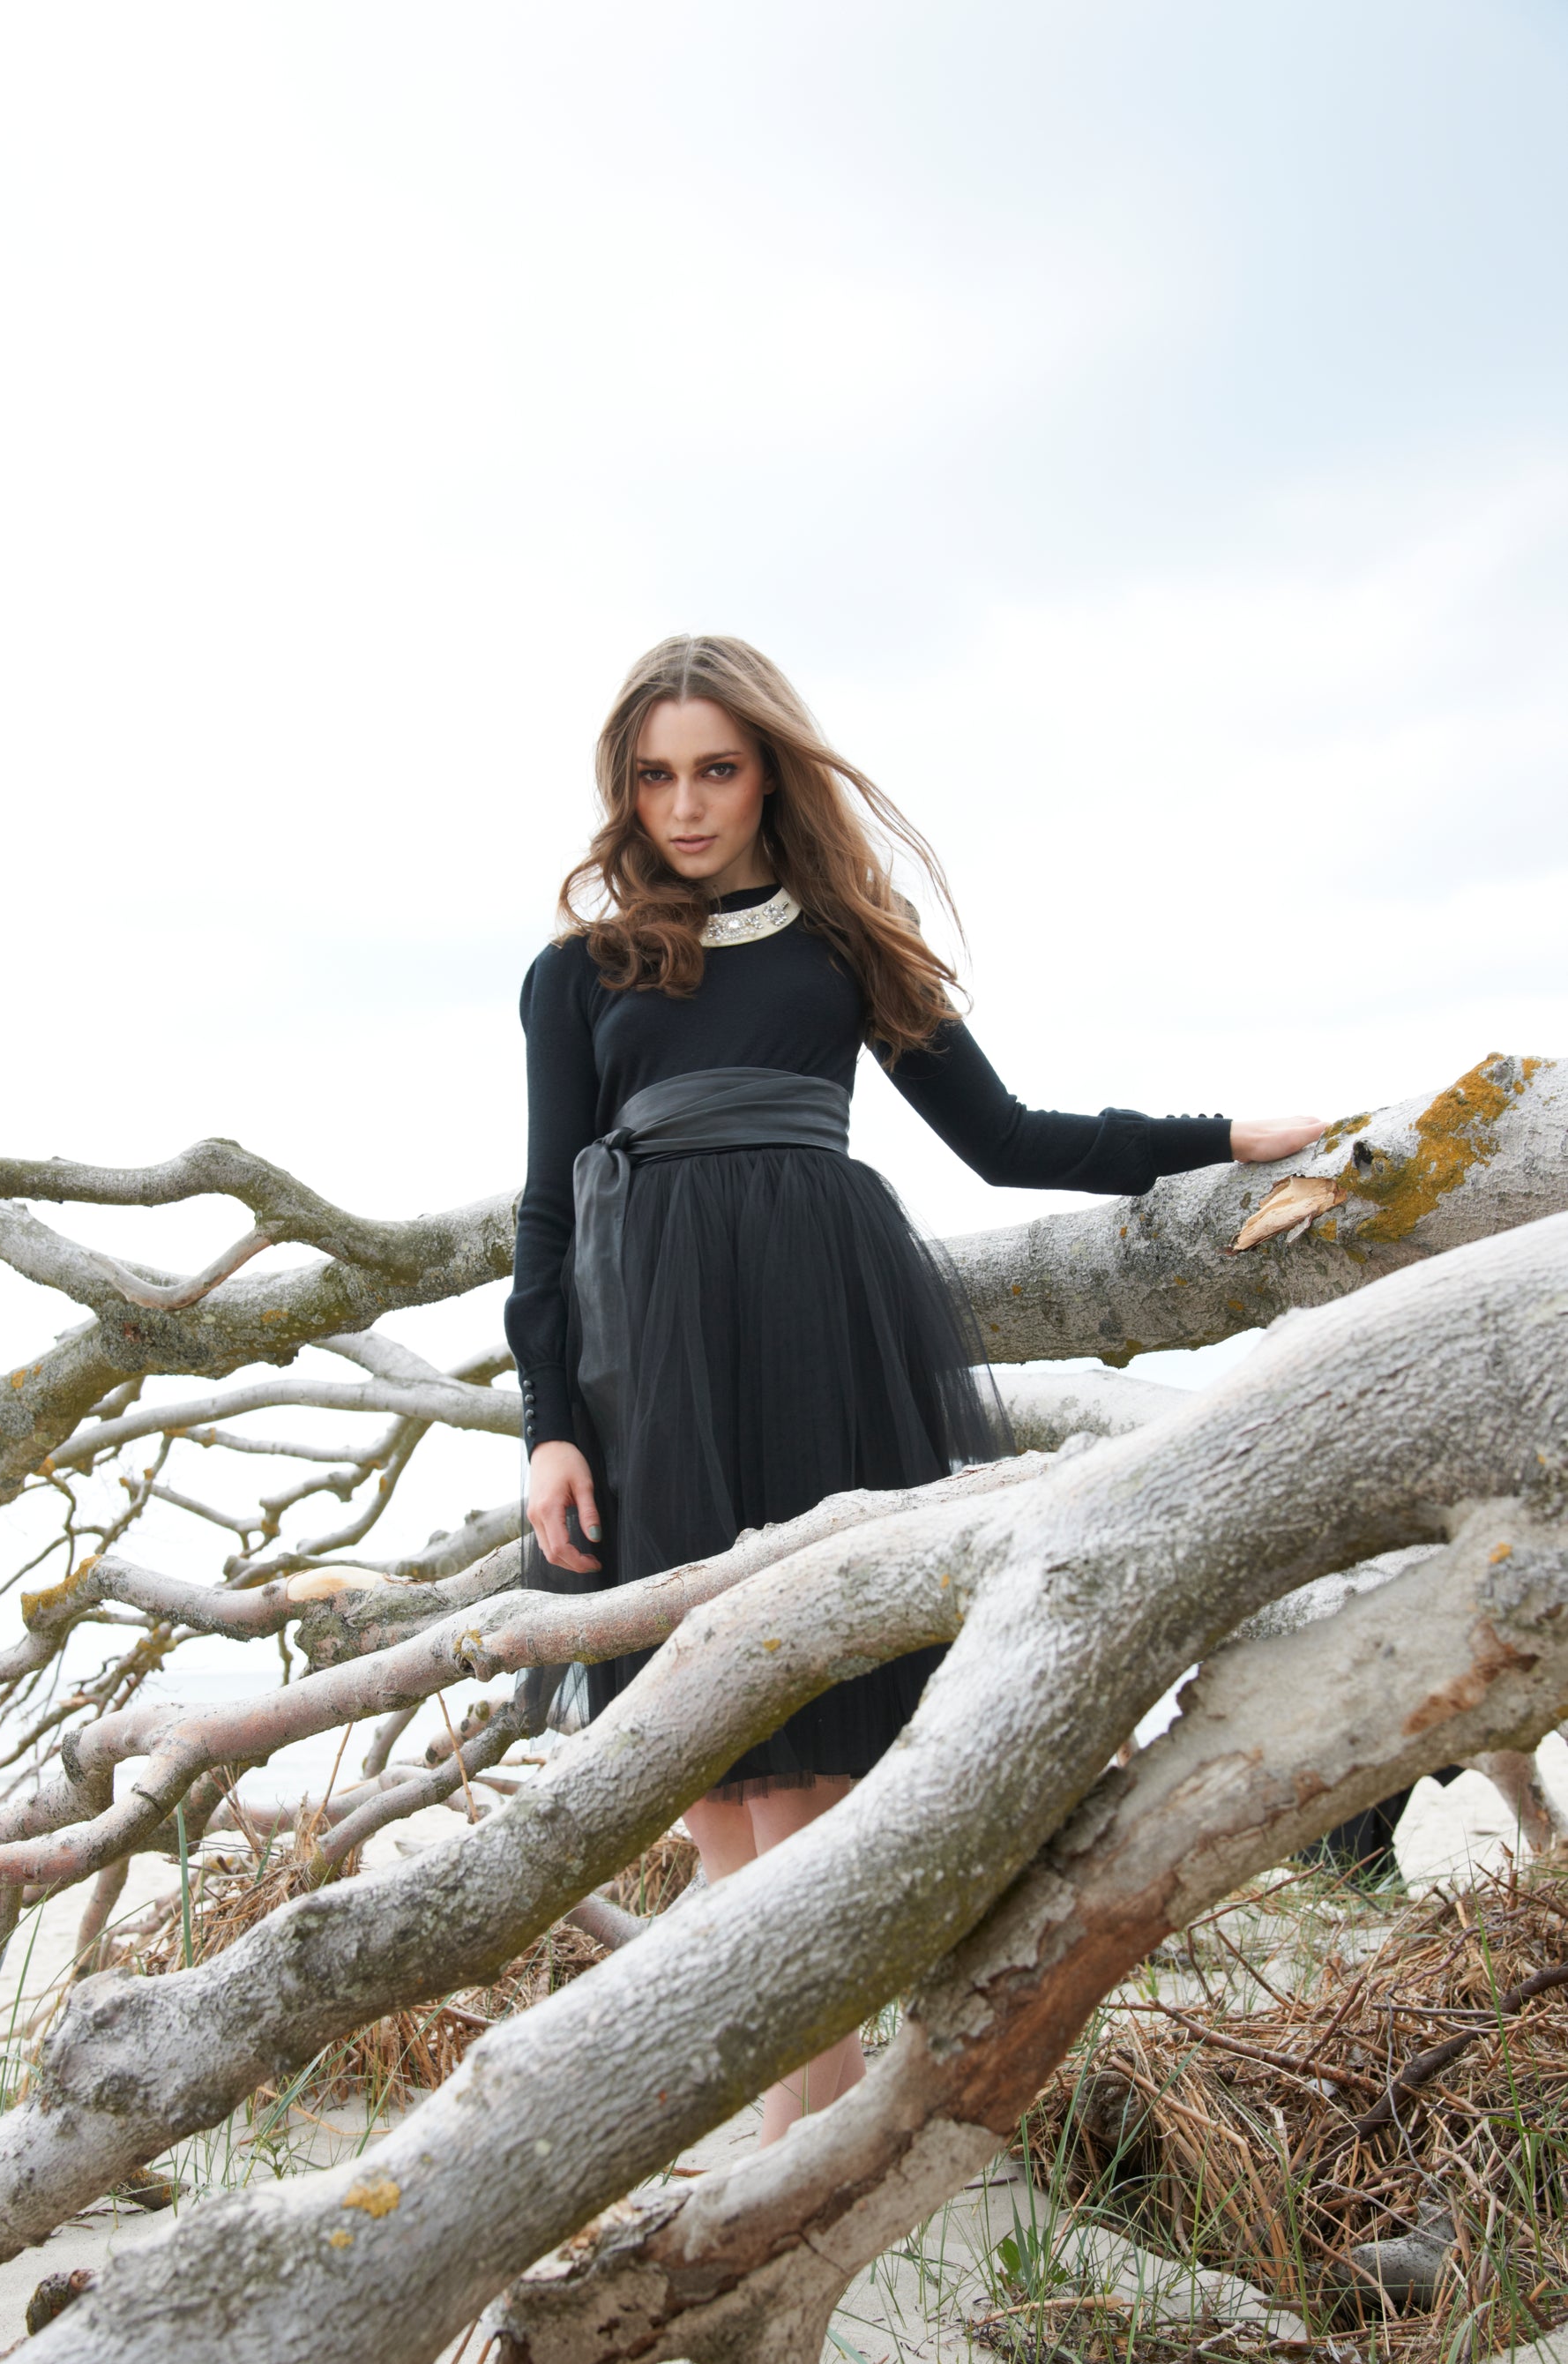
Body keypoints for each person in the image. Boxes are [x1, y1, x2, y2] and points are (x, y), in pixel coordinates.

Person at [506, 634, 1323, 2144]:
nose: (684, 807)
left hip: (816, 1339)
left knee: (801, 1775)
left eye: (715, 770)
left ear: (770, 774)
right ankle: (782, 2144)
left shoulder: (843, 951)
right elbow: (548, 1212)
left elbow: (1006, 1141)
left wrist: (1216, 1138)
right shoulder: (578, 973)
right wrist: (550, 1423)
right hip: (650, 1368)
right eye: (655, 777)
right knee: (703, 1773)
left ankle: (784, 2163)